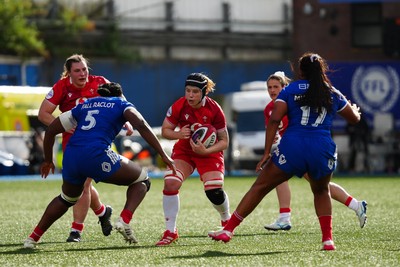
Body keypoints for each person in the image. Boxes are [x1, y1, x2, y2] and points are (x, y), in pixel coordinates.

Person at [208, 52, 362, 251]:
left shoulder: (290, 90)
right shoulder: (331, 91)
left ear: (300, 71)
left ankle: (228, 230)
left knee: (260, 187)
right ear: (321, 70)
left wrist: (266, 153)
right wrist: (356, 110)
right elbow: (354, 118)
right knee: (321, 191)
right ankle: (327, 240)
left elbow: (274, 119)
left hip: (293, 147)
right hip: (322, 148)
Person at [24, 82, 176, 249]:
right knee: (143, 180)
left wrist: (47, 160)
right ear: (120, 95)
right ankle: (124, 220)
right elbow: (141, 125)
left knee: (66, 199)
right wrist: (163, 154)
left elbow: (51, 129)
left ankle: (32, 238)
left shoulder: (84, 105)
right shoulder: (121, 104)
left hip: (72, 156)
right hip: (96, 155)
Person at [38, 54, 130, 242]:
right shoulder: (61, 87)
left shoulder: (101, 83)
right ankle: (103, 211)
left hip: (97, 140)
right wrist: (62, 124)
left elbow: (123, 104)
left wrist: (127, 123)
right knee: (78, 184)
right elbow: (43, 114)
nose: (82, 74)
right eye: (77, 71)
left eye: (84, 70)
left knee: (85, 184)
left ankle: (76, 231)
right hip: (72, 143)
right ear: (68, 73)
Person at [263, 71, 367, 231]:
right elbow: (273, 127)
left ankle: (356, 205)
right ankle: (284, 217)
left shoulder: (292, 102)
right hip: (291, 149)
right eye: (269, 87)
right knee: (291, 181)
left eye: (276, 86)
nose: (272, 90)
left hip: (302, 149)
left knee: (318, 185)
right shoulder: (269, 108)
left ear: (284, 87)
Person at [155, 72, 231, 246]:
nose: (190, 95)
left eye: (195, 91)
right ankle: (170, 231)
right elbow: (165, 131)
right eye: (187, 90)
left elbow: (224, 141)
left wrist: (206, 151)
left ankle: (226, 221)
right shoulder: (179, 105)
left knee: (214, 191)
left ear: (204, 93)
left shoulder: (215, 109)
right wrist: (178, 134)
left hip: (209, 152)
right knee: (171, 183)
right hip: (185, 150)